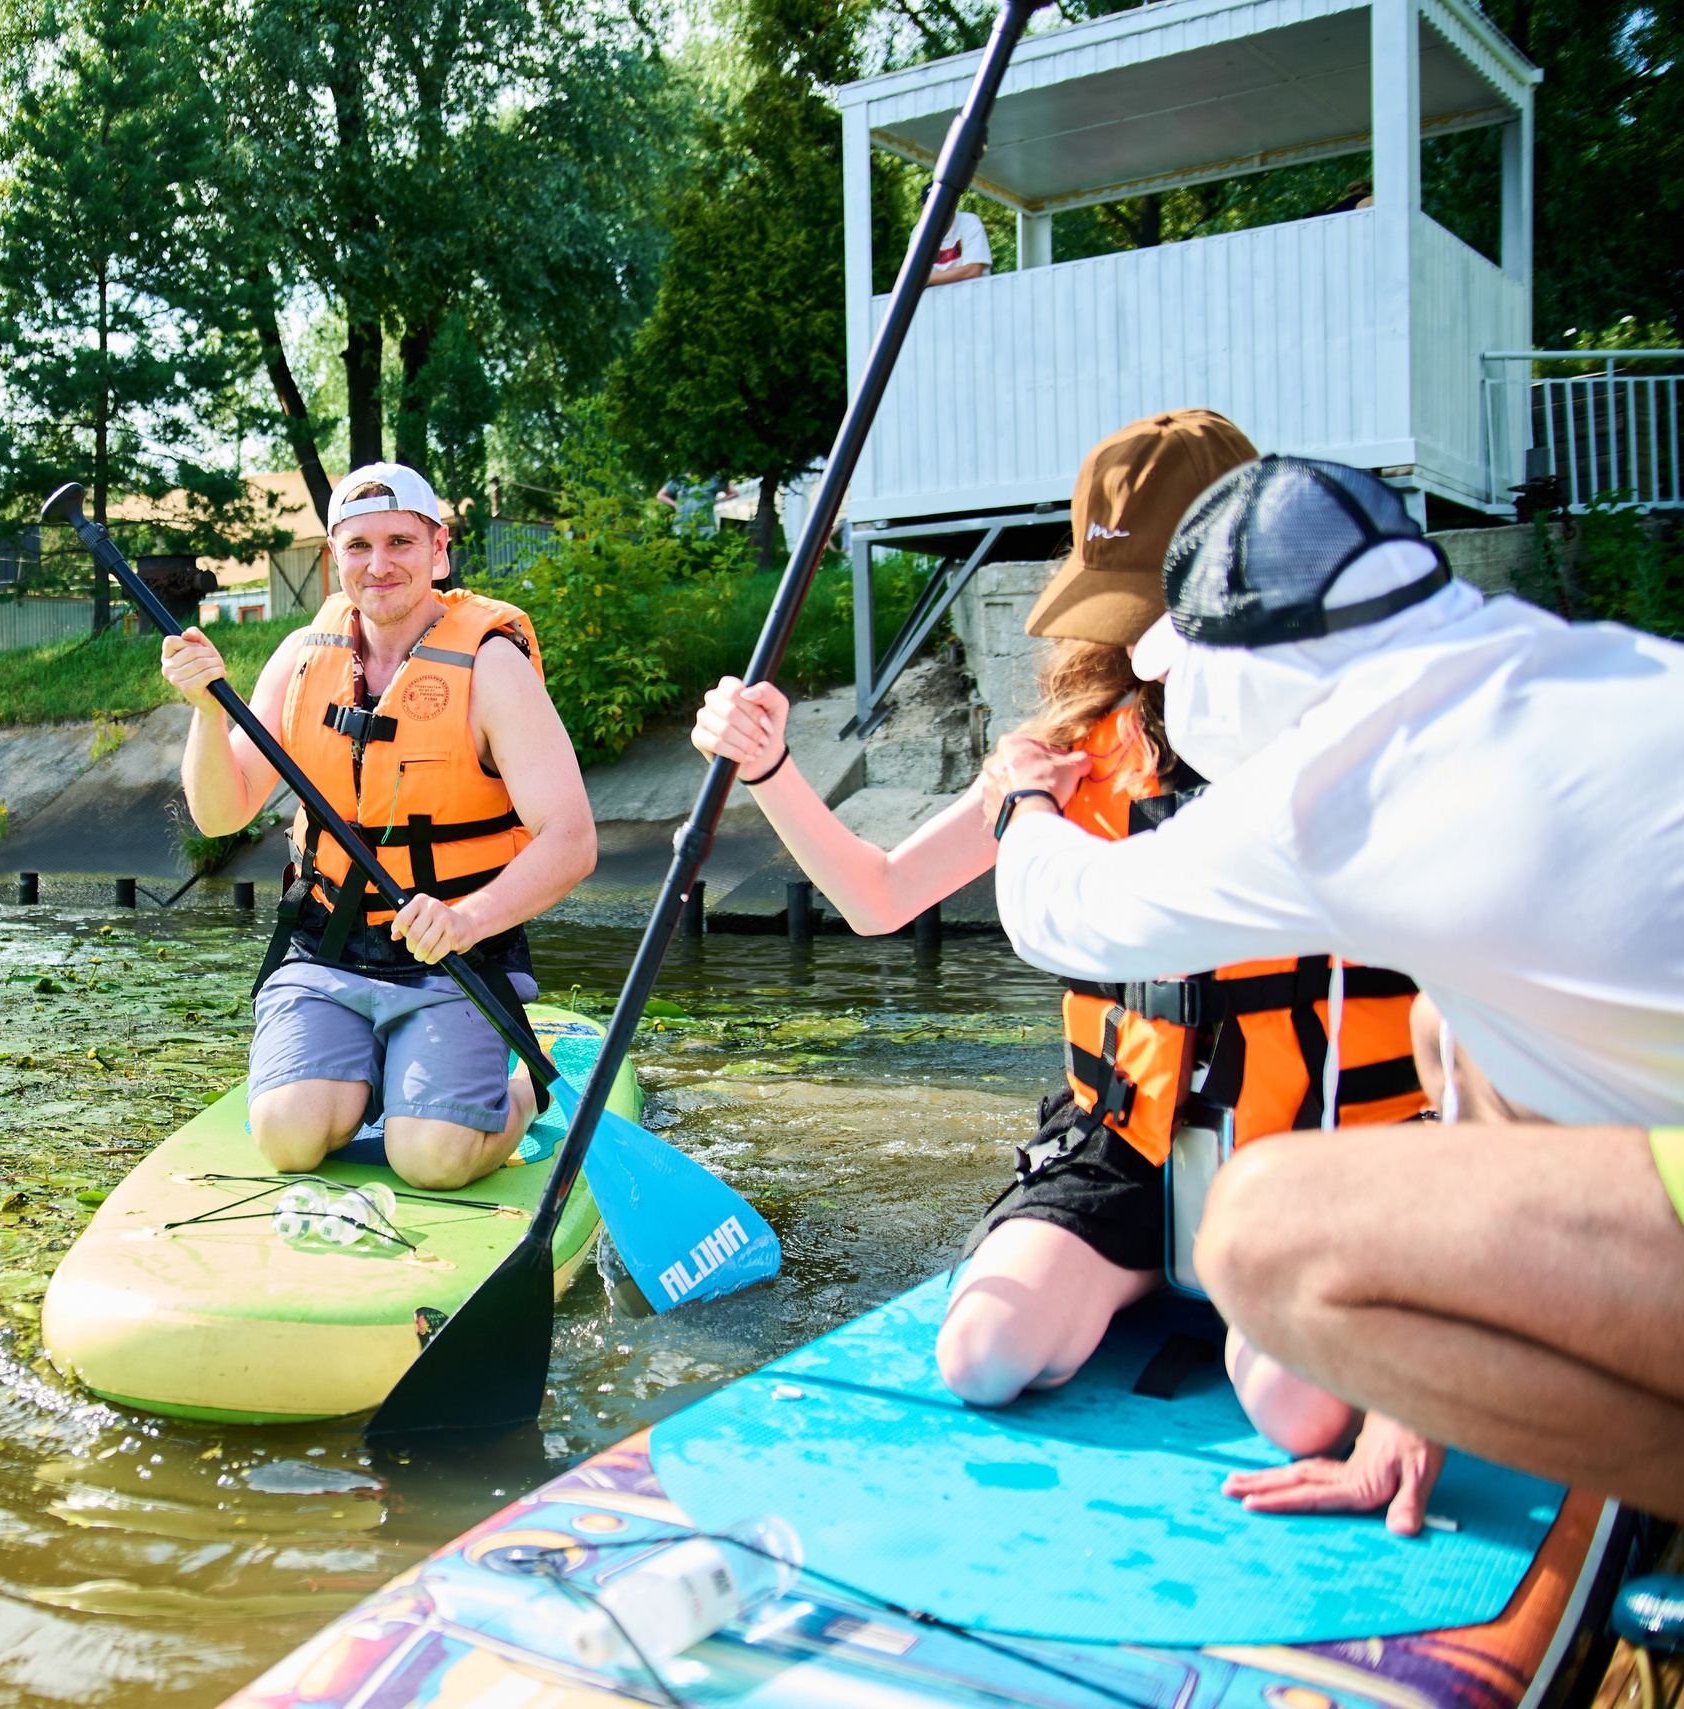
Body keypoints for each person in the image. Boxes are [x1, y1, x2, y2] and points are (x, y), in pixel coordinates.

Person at [691, 412, 1436, 1509]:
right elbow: (878, 896)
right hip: (1125, 1152)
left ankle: (1262, 1305)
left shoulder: (1357, 752)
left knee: (1299, 1409)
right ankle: (1135, 1274)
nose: (1143, 643)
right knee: (981, 1355)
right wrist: (769, 770)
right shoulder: (1068, 758)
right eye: (1127, 611)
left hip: (1318, 1157)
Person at [987, 454, 1684, 1522]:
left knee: (1260, 1229)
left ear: (1253, 662)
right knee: (1453, 1032)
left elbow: (1063, 912)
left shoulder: (1331, 788)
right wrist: (1413, 1389)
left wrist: (1021, 805)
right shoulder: (1578, 660)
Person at [158, 462, 596, 1192]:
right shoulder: (303, 657)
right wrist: (207, 712)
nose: (380, 564)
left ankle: (524, 1088)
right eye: (359, 546)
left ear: (439, 550)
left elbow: (572, 839)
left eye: (400, 541)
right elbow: (220, 811)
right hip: (327, 951)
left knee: (431, 1158)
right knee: (287, 1138)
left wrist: (467, 916)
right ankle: (380, 1079)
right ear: (336, 559)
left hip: (455, 958)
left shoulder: (491, 666)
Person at [929, 207, 992, 284]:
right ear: (923, 207)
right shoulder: (919, 232)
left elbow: (972, 272)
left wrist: (925, 279)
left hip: (975, 294)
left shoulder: (969, 221)